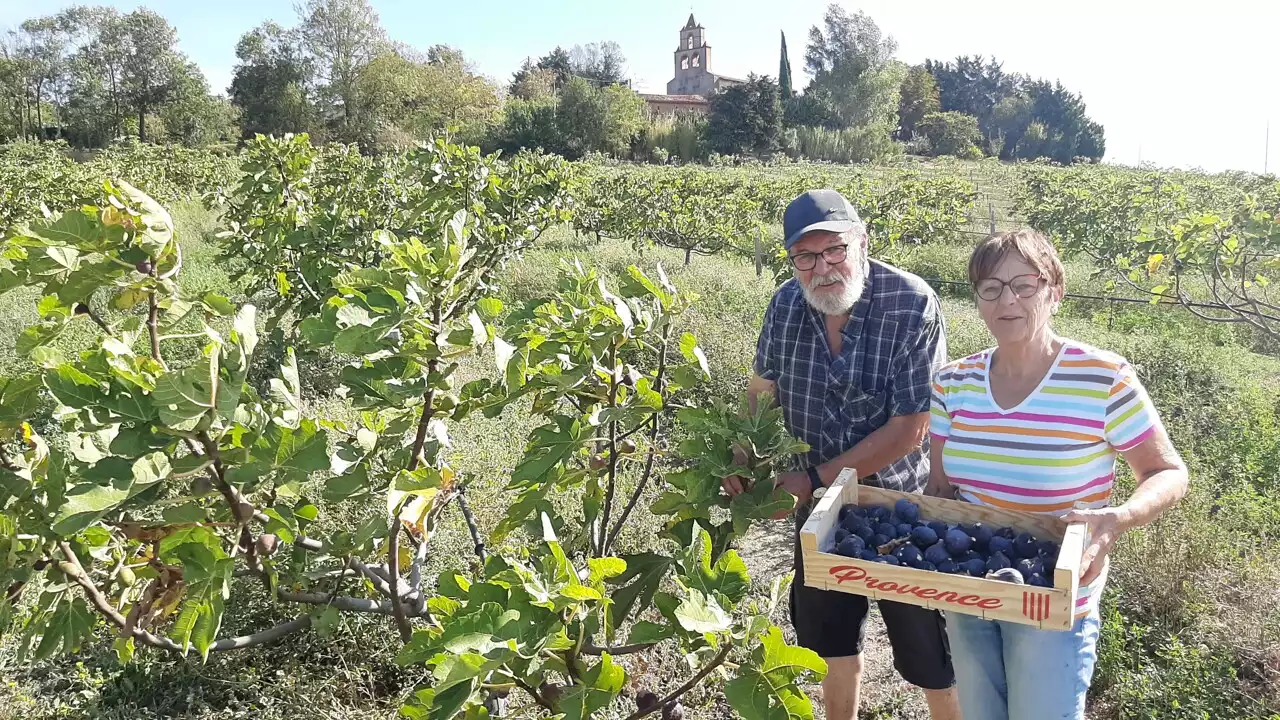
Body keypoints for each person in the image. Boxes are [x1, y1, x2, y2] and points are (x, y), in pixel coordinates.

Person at [927, 230, 1190, 720]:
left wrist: (1118, 517)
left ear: (1055, 291)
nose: (1007, 299)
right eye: (990, 287)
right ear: (977, 299)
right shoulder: (952, 382)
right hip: (969, 587)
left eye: (1024, 284)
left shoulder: (1102, 377)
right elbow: (941, 489)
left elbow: (1168, 473)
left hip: (1053, 597)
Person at [725, 189, 962, 720]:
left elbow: (911, 427)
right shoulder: (787, 304)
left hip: (897, 507)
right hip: (818, 509)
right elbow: (762, 389)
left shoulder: (912, 303)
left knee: (930, 655)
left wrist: (812, 478)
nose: (822, 268)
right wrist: (743, 450)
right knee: (827, 641)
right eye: (805, 257)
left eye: (834, 250)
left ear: (862, 243)